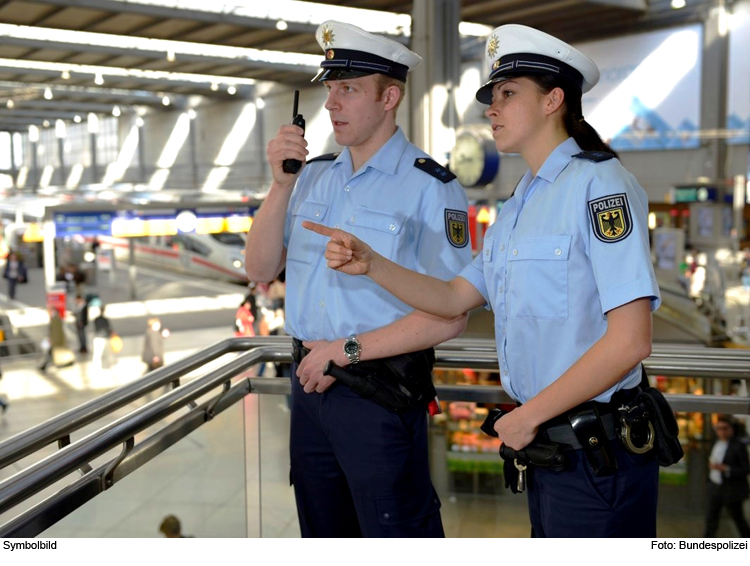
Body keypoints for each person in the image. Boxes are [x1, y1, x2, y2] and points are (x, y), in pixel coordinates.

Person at [304, 24, 663, 538]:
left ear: (553, 100)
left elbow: (631, 339)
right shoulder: (518, 206)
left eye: (508, 94)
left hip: (594, 455)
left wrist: (527, 416)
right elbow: (453, 297)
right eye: (491, 98)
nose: (491, 109)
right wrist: (373, 263)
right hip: (549, 449)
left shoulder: (601, 186)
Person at [243, 20, 471, 538]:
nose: (331, 104)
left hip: (377, 393)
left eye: (348, 89)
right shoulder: (313, 176)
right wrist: (280, 187)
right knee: (324, 533)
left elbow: (452, 314)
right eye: (329, 89)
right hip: (309, 388)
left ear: (389, 96)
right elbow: (258, 270)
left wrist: (343, 351)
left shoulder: (430, 187)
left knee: (396, 533)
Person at [704, 415, 750, 537]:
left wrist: (726, 468)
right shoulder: (715, 442)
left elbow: (745, 469)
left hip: (731, 489)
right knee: (711, 520)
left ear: (731, 429)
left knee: (738, 519)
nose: (722, 432)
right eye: (719, 428)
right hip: (714, 486)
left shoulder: (738, 446)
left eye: (725, 428)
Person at [92, 305, 115, 370]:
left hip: (98, 337)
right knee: (106, 352)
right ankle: (108, 365)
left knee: (97, 353)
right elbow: (108, 328)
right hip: (104, 337)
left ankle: (96, 366)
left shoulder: (96, 319)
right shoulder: (105, 320)